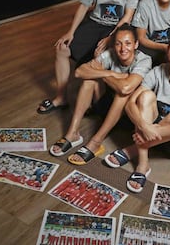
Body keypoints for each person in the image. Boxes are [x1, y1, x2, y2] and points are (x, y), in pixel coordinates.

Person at [37, 0, 141, 114]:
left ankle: (96, 104)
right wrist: (70, 32)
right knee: (62, 48)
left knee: (99, 55)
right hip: (94, 22)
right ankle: (61, 97)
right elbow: (84, 6)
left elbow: (128, 16)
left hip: (116, 27)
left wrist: (110, 37)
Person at [104, 30, 170, 193]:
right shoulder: (158, 71)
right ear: (167, 50)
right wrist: (144, 127)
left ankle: (133, 149)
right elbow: (130, 103)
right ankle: (143, 165)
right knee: (145, 96)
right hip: (152, 129)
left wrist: (151, 132)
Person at [49, 24, 152, 165]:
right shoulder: (110, 54)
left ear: (136, 44)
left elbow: (125, 88)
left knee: (123, 93)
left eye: (128, 43)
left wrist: (100, 73)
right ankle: (72, 133)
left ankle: (96, 142)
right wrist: (110, 73)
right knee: (88, 81)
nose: (123, 49)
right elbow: (79, 72)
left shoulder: (144, 60)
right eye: (118, 44)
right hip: (105, 105)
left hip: (128, 116)